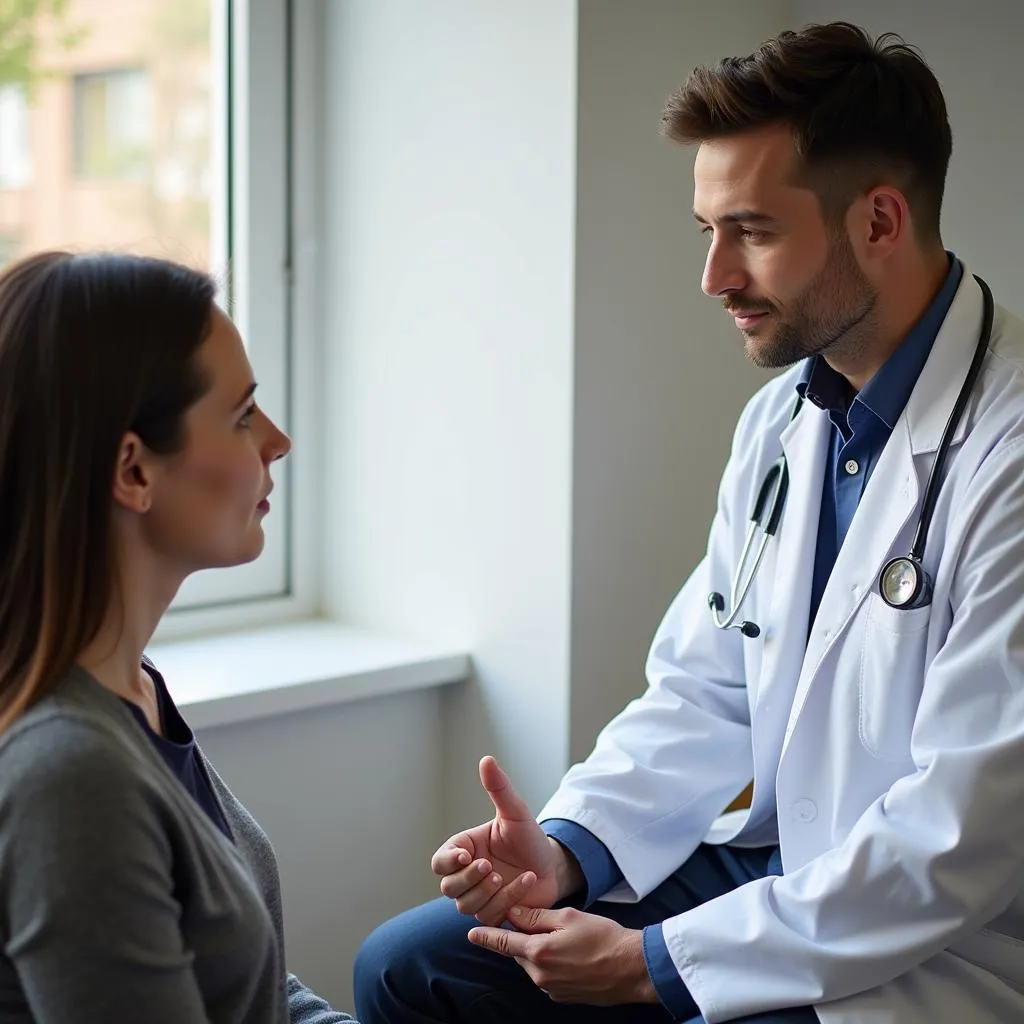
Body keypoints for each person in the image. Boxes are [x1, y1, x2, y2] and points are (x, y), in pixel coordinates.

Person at [354, 21, 1024, 1024]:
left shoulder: (1006, 453)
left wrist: (655, 962)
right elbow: (707, 689)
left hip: (937, 949)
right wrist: (567, 850)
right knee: (411, 969)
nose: (713, 277)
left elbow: (958, 837)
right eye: (706, 231)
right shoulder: (783, 421)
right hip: (777, 878)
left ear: (879, 222)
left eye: (750, 231)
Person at [0, 251, 358, 1023]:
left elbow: (246, 991)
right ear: (132, 471)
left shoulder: (133, 687)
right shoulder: (68, 775)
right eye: (241, 415)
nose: (277, 440)